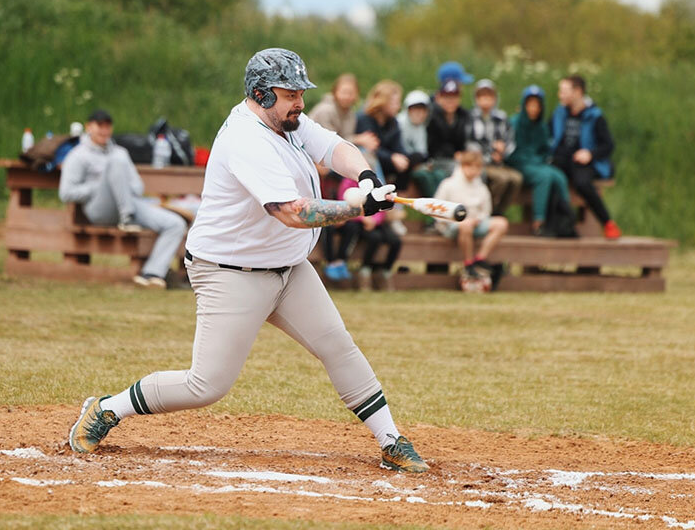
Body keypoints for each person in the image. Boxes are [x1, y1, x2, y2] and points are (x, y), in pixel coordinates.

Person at [68, 48, 430, 473]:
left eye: (301, 92)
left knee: (338, 346)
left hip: (288, 268)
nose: (299, 101)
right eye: (290, 92)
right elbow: (291, 212)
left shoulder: (288, 121)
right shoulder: (246, 138)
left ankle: (390, 439)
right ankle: (108, 408)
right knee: (206, 385)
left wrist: (367, 178)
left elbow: (334, 148)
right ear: (261, 93)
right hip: (229, 272)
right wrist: (356, 209)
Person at [59, 108, 187, 288]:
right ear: (89, 127)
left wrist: (120, 186)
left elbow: (138, 187)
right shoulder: (78, 155)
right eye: (99, 126)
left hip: (130, 203)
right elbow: (66, 193)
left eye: (107, 126)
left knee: (176, 224)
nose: (104, 131)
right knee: (115, 164)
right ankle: (127, 216)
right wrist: (100, 186)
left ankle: (152, 273)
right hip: (99, 209)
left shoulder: (120, 152)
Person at [308, 74, 380, 280]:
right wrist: (360, 139)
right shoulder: (326, 110)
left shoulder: (351, 114)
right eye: (344, 92)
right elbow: (327, 142)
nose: (348, 97)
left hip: (331, 166)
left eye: (352, 93)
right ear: (335, 92)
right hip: (315, 161)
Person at [551, 76, 621, 240]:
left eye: (563, 91)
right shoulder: (560, 113)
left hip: (584, 162)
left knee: (582, 183)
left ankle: (608, 223)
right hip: (562, 160)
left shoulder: (594, 115)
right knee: (552, 177)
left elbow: (608, 145)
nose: (560, 95)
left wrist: (590, 154)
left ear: (577, 92)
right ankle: (561, 226)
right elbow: (549, 135)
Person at [433, 150, 509, 291]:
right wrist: (458, 221)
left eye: (477, 168)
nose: (474, 171)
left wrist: (478, 219)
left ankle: (479, 259)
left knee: (501, 223)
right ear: (463, 166)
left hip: (476, 224)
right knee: (465, 225)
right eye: (471, 167)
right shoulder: (448, 184)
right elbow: (436, 210)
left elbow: (486, 211)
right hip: (452, 226)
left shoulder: (481, 187)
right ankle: (468, 264)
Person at [507, 86, 576, 236]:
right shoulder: (514, 123)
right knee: (544, 177)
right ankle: (539, 221)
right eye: (530, 104)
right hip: (519, 165)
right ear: (524, 105)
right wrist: (534, 161)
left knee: (559, 176)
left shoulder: (541, 126)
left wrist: (540, 160)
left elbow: (545, 150)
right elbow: (510, 152)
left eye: (537, 105)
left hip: (537, 164)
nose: (533, 109)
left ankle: (565, 218)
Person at [334, 176, 402, 292]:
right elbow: (344, 204)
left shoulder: (375, 181)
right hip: (357, 221)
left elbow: (382, 204)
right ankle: (364, 272)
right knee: (375, 238)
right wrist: (363, 218)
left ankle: (385, 272)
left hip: (375, 221)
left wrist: (374, 220)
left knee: (396, 241)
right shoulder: (347, 183)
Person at [466, 79, 522, 217]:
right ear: (476, 99)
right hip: (481, 162)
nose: (486, 100)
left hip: (499, 161)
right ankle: (487, 210)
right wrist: (490, 154)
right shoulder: (471, 117)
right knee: (501, 179)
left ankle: (499, 212)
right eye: (482, 96)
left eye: (489, 97)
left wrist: (503, 151)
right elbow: (470, 143)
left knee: (516, 179)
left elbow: (509, 139)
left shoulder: (501, 117)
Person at [411, 79, 468, 201]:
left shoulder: (463, 116)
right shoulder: (431, 117)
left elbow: (463, 142)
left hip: (455, 157)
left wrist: (462, 153)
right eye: (447, 97)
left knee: (476, 170)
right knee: (457, 170)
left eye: (454, 97)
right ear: (438, 97)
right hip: (436, 159)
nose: (450, 101)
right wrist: (454, 154)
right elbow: (432, 145)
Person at [354, 80, 409, 189]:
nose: (398, 106)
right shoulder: (365, 119)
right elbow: (373, 148)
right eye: (395, 102)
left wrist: (404, 158)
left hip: (386, 160)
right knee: (371, 157)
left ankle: (399, 197)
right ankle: (381, 193)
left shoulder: (393, 122)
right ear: (383, 102)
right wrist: (392, 158)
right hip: (367, 161)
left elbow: (398, 147)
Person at [395, 89, 431, 170]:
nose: (420, 114)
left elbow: (422, 151)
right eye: (416, 110)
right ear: (408, 110)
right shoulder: (398, 123)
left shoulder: (421, 127)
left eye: (423, 110)